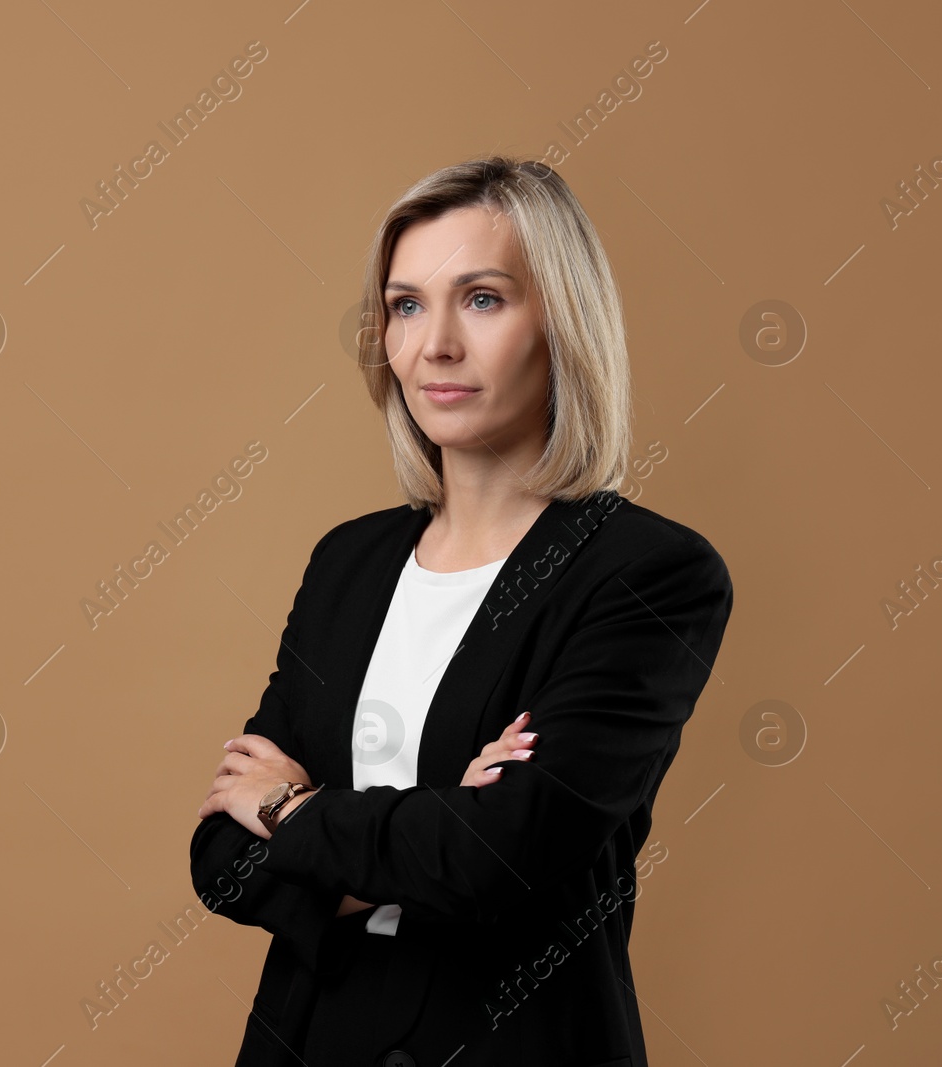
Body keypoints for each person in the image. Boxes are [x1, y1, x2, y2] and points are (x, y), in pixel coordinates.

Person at [190, 156, 734, 1067]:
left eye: (481, 299)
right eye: (406, 305)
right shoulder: (348, 562)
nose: (434, 343)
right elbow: (219, 860)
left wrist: (291, 809)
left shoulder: (649, 573)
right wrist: (435, 822)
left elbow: (503, 857)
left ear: (562, 322)